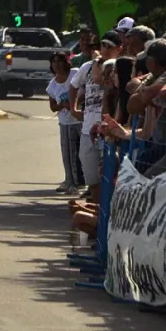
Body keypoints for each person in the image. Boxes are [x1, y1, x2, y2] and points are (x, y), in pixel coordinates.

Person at [69, 30, 121, 202]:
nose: (104, 49)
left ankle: (105, 210)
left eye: (109, 46)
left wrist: (100, 61)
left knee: (107, 171)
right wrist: (73, 108)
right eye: (102, 45)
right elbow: (73, 85)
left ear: (118, 49)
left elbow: (99, 79)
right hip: (87, 127)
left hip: (106, 129)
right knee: (90, 173)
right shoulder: (87, 67)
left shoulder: (116, 67)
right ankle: (98, 207)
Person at [46, 52, 82, 195]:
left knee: (82, 153)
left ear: (66, 62)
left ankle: (82, 182)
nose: (56, 65)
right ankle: (70, 181)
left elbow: (84, 89)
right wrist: (63, 105)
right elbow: (53, 106)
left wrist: (75, 104)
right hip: (65, 122)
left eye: (59, 61)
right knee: (68, 153)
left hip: (80, 120)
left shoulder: (75, 73)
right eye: (53, 62)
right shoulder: (52, 85)